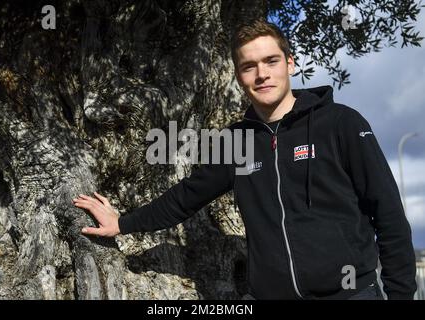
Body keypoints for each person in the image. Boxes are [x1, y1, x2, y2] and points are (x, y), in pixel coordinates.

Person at [73, 20, 417, 300]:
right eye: (249, 66)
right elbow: (186, 196)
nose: (261, 74)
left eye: (270, 61)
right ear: (239, 76)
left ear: (290, 63)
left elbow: (387, 213)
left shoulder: (341, 123)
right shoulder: (236, 142)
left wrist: (401, 295)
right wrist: (122, 222)